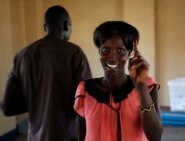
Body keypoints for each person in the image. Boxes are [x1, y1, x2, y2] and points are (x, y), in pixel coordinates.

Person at [1, 5, 92, 141]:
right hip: (67, 136)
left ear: (45, 27)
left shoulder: (22, 55)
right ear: (67, 25)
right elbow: (86, 103)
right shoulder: (74, 53)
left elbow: (8, 107)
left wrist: (36, 101)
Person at [74, 21, 163, 141]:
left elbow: (155, 136)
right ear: (99, 51)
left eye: (120, 51)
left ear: (129, 54)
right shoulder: (85, 90)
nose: (112, 56)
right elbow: (82, 136)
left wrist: (141, 85)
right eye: (105, 50)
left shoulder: (147, 87)